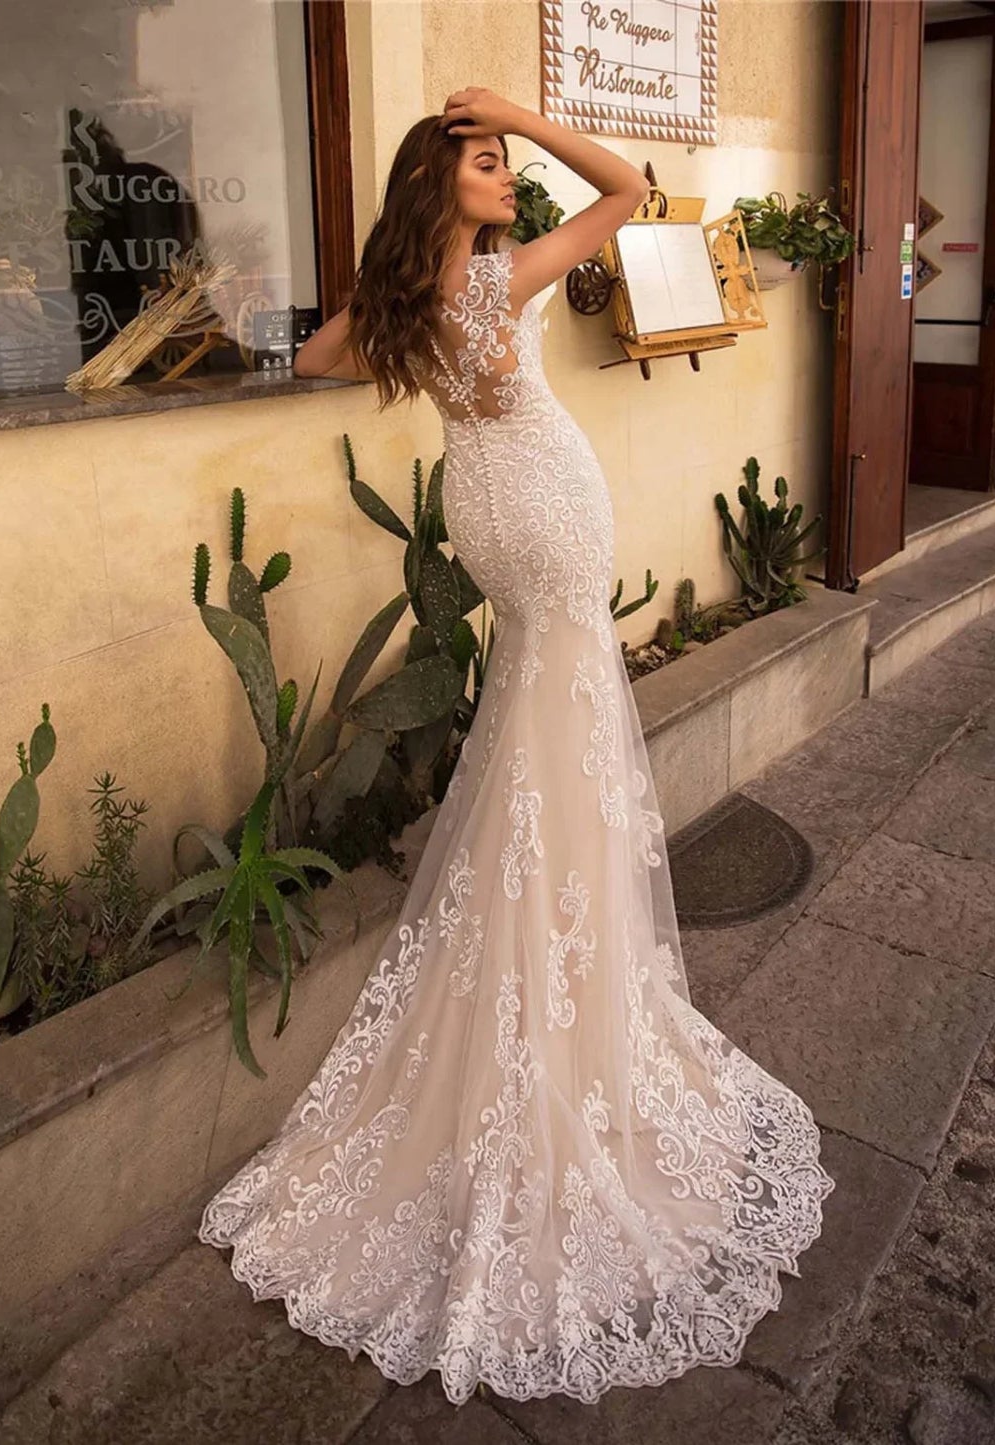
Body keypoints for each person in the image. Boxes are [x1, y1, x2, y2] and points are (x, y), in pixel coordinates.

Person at [199, 86, 834, 1406]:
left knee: (538, 731)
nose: (504, 177)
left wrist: (306, 300)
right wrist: (530, 117)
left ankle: (537, 935)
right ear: (443, 184)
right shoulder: (499, 277)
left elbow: (309, 358)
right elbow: (629, 193)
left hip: (486, 512)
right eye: (485, 165)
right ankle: (561, 957)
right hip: (545, 499)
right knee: (566, 730)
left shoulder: (403, 306)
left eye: (502, 159)